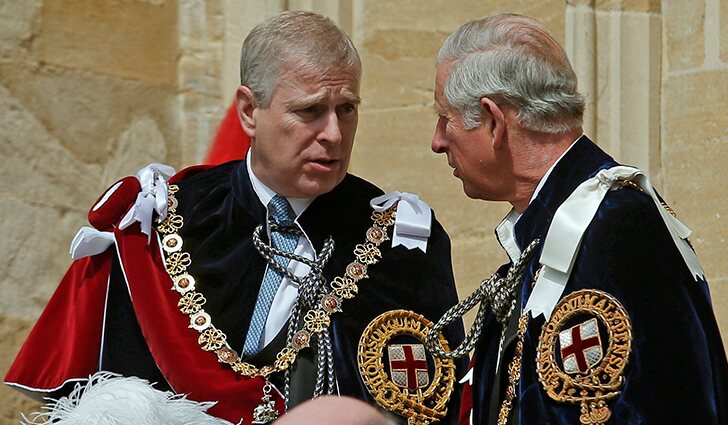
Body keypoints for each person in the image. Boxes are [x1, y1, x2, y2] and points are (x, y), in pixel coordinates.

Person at [5, 11, 464, 425]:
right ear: (249, 112)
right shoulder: (160, 221)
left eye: (347, 109)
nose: (333, 133)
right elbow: (96, 398)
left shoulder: (402, 244)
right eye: (309, 110)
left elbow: (435, 403)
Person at [427, 13, 728, 425]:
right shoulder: (550, 233)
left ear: (493, 122)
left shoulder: (617, 228)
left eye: (445, 119)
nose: (437, 141)